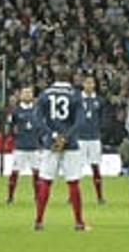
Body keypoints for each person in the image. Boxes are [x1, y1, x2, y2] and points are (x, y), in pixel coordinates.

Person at [35, 72, 90, 231]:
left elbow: (37, 119)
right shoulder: (75, 94)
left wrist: (52, 135)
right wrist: (65, 137)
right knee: (73, 182)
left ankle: (39, 220)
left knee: (46, 181)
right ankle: (79, 222)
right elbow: (80, 121)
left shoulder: (45, 94)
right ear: (70, 79)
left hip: (50, 144)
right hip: (70, 143)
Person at [6, 86, 44, 205]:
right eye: (25, 93)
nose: (27, 95)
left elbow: (42, 126)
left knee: (37, 172)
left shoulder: (38, 110)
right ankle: (10, 197)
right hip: (20, 146)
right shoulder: (15, 111)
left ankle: (38, 197)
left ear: (33, 95)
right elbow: (10, 127)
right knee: (15, 171)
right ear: (20, 95)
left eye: (29, 93)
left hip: (34, 146)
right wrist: (15, 136)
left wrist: (40, 138)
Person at [77, 75, 107, 206]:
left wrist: (99, 129)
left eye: (91, 83)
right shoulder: (77, 100)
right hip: (80, 138)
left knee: (95, 166)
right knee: (76, 168)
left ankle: (100, 196)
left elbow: (103, 118)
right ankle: (73, 195)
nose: (89, 85)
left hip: (94, 137)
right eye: (87, 83)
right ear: (83, 84)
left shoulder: (99, 101)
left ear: (94, 85)